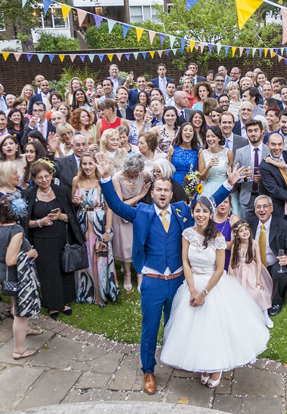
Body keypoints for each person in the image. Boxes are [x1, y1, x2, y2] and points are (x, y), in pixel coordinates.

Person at [96, 153, 240, 394]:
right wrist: (104, 179)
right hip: (153, 281)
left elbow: (209, 202)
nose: (162, 193)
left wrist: (229, 184)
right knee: (150, 327)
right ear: (151, 192)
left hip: (178, 282)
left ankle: (179, 358)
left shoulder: (184, 211)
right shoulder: (140, 212)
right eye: (158, 190)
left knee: (179, 324)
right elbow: (117, 205)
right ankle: (148, 371)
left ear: (172, 194)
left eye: (166, 190)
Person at [160, 196, 269, 387]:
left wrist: (204, 293)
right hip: (192, 284)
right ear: (192, 213)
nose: (200, 215)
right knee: (194, 330)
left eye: (204, 211)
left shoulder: (218, 238)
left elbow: (220, 269)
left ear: (211, 214)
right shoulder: (187, 233)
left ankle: (216, 366)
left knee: (214, 328)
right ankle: (204, 364)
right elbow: (185, 262)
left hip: (214, 285)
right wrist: (193, 290)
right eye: (197, 211)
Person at [22, 159, 85, 320]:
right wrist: (39, 222)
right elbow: (24, 222)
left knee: (63, 269)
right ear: (34, 179)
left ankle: (64, 302)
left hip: (61, 238)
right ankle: (52, 304)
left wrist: (59, 216)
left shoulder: (61, 191)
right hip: (41, 240)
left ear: (51, 175)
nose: (44, 180)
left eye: (46, 176)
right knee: (48, 272)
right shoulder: (28, 195)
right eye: (40, 178)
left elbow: (71, 216)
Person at [0, 193, 41, 360]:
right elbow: (11, 260)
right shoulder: (15, 230)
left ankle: (25, 331)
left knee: (19, 308)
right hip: (16, 277)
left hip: (2, 274)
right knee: (20, 313)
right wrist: (30, 253)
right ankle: (19, 349)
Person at [72, 152, 119, 307]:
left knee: (101, 257)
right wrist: (75, 201)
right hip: (83, 223)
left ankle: (102, 293)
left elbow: (110, 207)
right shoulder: (76, 180)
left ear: (96, 165)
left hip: (100, 222)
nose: (87, 167)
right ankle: (86, 292)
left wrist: (107, 231)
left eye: (90, 163)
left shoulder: (103, 182)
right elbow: (73, 203)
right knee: (85, 256)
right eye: (84, 164)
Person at [247, 195, 287, 317]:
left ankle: (277, 302)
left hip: (275, 263)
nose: (262, 210)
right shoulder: (250, 223)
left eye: (265, 206)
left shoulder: (285, 226)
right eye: (258, 207)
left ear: (271, 208)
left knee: (279, 272)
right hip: (257, 263)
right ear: (255, 210)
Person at [111, 154, 150, 291]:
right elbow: (121, 204)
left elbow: (155, 179)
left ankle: (140, 274)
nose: (138, 173)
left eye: (140, 170)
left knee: (140, 243)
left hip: (139, 214)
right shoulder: (116, 178)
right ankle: (127, 273)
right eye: (135, 171)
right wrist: (140, 195)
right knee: (126, 245)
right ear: (127, 168)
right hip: (123, 214)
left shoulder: (143, 174)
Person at [228, 219, 273, 326]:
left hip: (252, 270)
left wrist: (258, 278)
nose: (245, 232)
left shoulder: (254, 243)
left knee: (258, 290)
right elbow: (231, 264)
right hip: (240, 271)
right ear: (237, 235)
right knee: (242, 293)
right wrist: (231, 279)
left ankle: (265, 313)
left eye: (246, 229)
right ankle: (247, 314)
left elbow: (258, 262)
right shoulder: (235, 246)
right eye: (241, 231)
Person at [234, 120, 269, 221]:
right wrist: (243, 177)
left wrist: (264, 179)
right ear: (246, 133)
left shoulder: (269, 150)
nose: (253, 133)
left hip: (265, 195)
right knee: (247, 228)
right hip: (247, 198)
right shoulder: (240, 152)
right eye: (250, 131)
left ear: (262, 131)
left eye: (255, 130)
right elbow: (234, 175)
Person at [213, 195, 240, 271]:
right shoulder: (210, 218)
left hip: (227, 258)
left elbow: (234, 244)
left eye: (225, 202)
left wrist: (215, 242)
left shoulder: (233, 219)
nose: (222, 204)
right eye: (220, 202)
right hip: (211, 258)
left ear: (230, 205)